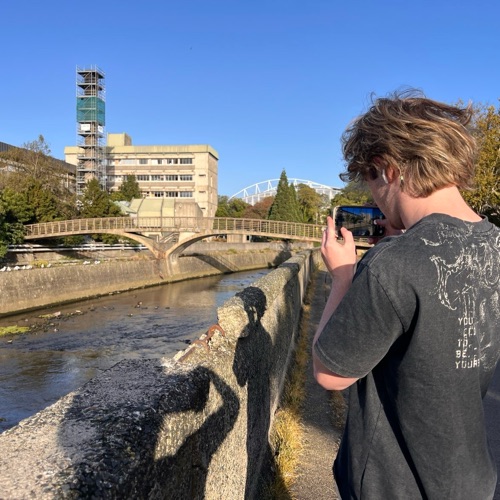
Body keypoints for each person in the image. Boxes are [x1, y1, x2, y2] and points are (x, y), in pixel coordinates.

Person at [313, 90, 500, 499]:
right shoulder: (494, 244)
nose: (374, 200)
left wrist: (343, 276)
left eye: (371, 183)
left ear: (389, 169)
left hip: (397, 484)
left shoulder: (393, 264)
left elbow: (331, 373)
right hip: (471, 480)